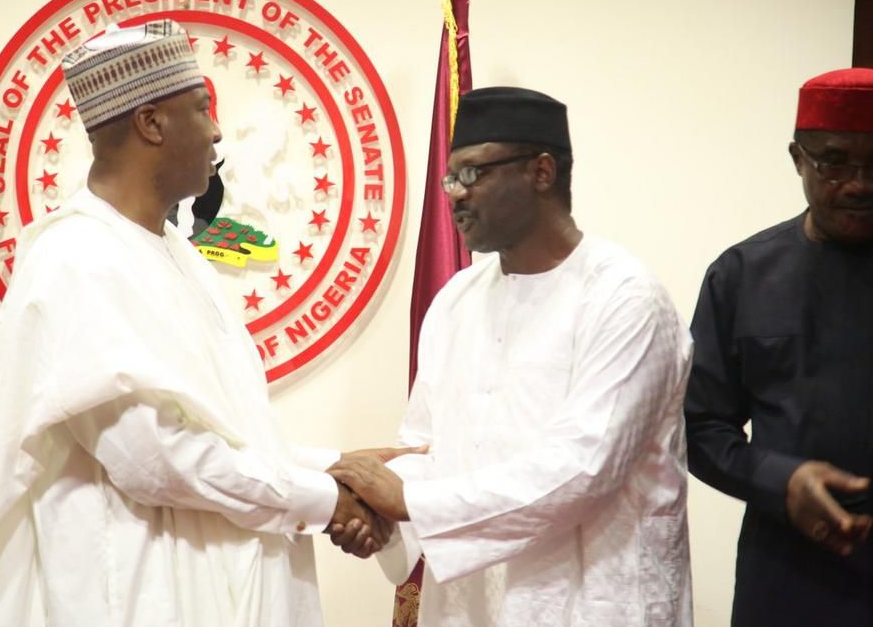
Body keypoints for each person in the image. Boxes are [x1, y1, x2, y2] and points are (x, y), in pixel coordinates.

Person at [0, 20, 406, 627]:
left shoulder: (178, 255)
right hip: (138, 596)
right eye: (202, 108)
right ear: (151, 124)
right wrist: (324, 499)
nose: (215, 131)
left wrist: (336, 466)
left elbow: (221, 435)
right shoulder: (74, 257)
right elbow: (152, 455)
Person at [329, 87, 694, 625]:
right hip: (470, 606)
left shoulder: (624, 298)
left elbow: (582, 470)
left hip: (589, 601)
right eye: (450, 178)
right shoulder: (457, 299)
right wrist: (376, 516)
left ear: (541, 172)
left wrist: (409, 503)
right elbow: (429, 447)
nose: (454, 194)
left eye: (473, 174)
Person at [684, 67, 873, 625]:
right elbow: (699, 428)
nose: (861, 183)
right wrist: (781, 481)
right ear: (797, 158)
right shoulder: (742, 275)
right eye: (835, 161)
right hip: (789, 575)